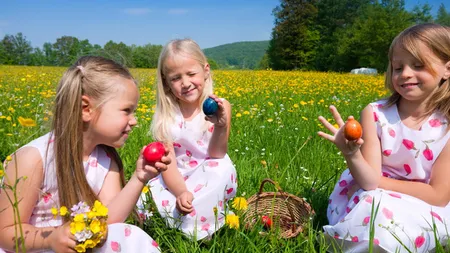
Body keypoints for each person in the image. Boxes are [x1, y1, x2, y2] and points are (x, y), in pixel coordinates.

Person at [0, 56, 170, 253]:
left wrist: (140, 177)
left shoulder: (106, 159)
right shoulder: (33, 159)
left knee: (129, 235)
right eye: (127, 111)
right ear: (86, 109)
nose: (134, 121)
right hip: (35, 247)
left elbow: (111, 222)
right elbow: (5, 232)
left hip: (82, 247)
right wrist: (50, 240)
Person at [318, 23, 450, 253]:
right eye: (397, 67)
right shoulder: (375, 114)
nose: (405, 74)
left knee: (381, 211)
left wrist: (380, 185)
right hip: (371, 195)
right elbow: (368, 180)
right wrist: (352, 154)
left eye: (418, 65)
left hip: (424, 204)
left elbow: (438, 196)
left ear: (447, 70)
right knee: (373, 206)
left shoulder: (447, 126)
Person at [137, 39, 237, 240]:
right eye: (176, 78)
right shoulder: (166, 117)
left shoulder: (219, 106)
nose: (185, 83)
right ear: (166, 82)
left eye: (191, 74)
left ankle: (202, 221)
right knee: (148, 194)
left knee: (220, 169)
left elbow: (217, 154)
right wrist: (181, 191)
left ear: (206, 71)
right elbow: (169, 165)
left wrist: (221, 125)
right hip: (176, 176)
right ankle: (195, 219)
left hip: (208, 171)